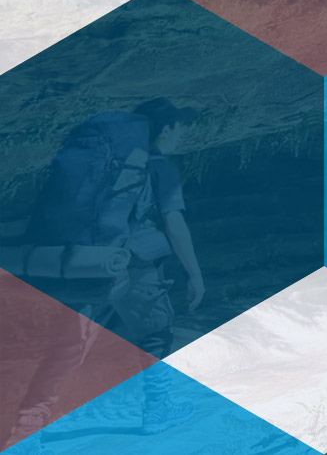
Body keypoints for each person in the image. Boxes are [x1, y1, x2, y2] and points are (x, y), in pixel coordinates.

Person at [8, 99, 207, 450]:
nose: (182, 135)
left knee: (69, 349)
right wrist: (195, 273)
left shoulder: (107, 168)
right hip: (138, 268)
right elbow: (175, 224)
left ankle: (27, 429)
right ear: (165, 129)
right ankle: (157, 412)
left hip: (91, 264)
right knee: (155, 336)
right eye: (179, 128)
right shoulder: (159, 168)